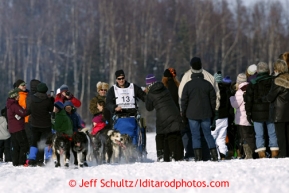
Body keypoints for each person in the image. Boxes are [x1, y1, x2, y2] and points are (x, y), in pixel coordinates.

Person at [178, 57, 220, 161]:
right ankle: (214, 155)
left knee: (195, 135)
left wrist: (183, 112)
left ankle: (197, 157)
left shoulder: (187, 82)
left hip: (192, 114)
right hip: (206, 113)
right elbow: (214, 98)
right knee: (208, 134)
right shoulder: (209, 80)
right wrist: (213, 112)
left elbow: (182, 98)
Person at [145, 74, 184, 162]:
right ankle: (177, 155)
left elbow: (149, 108)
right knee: (175, 135)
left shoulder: (150, 93)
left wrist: (147, 96)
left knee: (162, 136)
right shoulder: (164, 88)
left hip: (163, 117)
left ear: (148, 84)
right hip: (174, 113)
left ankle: (164, 156)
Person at [245, 62, 278, 158]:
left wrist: (248, 113)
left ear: (257, 71)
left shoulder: (253, 83)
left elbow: (248, 100)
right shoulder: (273, 81)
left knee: (259, 135)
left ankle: (262, 154)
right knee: (272, 133)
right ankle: (274, 152)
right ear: (268, 70)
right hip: (271, 111)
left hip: (256, 113)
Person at [262, 59, 289, 158]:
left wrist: (263, 98)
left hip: (279, 112)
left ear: (277, 69)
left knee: (281, 135)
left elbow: (270, 97)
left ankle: (283, 154)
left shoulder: (277, 81)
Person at [27, 82, 54, 166]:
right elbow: (51, 109)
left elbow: (29, 110)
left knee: (34, 141)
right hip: (46, 125)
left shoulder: (32, 99)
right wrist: (52, 100)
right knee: (46, 141)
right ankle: (47, 159)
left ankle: (32, 159)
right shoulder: (47, 100)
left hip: (34, 124)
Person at [230, 73, 256, 159]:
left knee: (244, 137)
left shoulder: (240, 91)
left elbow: (235, 104)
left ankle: (247, 154)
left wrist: (231, 97)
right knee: (250, 136)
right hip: (251, 117)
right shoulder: (251, 88)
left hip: (242, 119)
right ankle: (252, 153)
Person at [211, 71, 232, 160]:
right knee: (222, 137)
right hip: (225, 117)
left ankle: (213, 153)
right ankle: (223, 154)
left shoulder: (213, 91)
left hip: (216, 117)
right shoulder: (226, 90)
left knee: (212, 136)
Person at [6, 88, 29, 166]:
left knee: (15, 146)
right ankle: (21, 161)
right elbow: (23, 113)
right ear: (15, 96)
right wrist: (29, 110)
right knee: (24, 145)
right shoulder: (14, 105)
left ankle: (15, 162)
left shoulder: (9, 105)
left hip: (12, 129)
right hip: (18, 128)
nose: (19, 96)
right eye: (18, 95)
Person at [13, 79, 32, 146]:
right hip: (21, 121)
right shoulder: (16, 96)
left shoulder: (28, 94)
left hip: (29, 119)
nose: (24, 86)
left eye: (25, 85)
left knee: (29, 138)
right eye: (22, 85)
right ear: (18, 86)